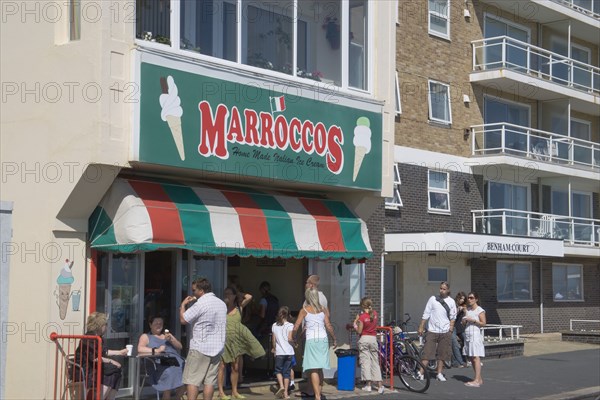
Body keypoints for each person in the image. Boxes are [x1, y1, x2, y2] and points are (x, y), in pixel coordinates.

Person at [180, 278, 227, 400]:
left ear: (201, 290)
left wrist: (183, 305)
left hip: (200, 347)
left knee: (192, 381)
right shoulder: (221, 304)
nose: (193, 292)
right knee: (209, 382)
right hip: (216, 348)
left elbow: (183, 320)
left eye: (194, 290)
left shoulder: (201, 303)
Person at [217, 286, 265, 400]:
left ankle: (234, 391)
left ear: (234, 296)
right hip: (223, 341)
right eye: (225, 294)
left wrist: (238, 293)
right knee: (222, 367)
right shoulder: (221, 308)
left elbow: (249, 296)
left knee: (236, 367)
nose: (226, 296)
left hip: (236, 342)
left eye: (229, 294)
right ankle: (221, 392)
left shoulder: (239, 307)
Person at [292, 288, 336, 400]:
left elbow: (296, 326)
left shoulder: (304, 310)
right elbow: (328, 326)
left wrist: (294, 337)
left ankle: (317, 396)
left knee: (313, 369)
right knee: (320, 368)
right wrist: (334, 339)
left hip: (312, 341)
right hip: (323, 340)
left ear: (307, 297)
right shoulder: (323, 309)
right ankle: (319, 393)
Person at [75, 312, 128, 400]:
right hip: (86, 367)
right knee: (112, 370)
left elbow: (104, 352)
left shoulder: (99, 338)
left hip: (94, 365)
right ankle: (99, 398)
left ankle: (110, 398)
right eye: (105, 324)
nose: (107, 327)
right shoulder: (89, 338)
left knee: (117, 370)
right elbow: (94, 358)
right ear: (99, 325)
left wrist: (120, 352)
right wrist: (112, 361)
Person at [137, 316, 186, 399]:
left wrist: (171, 339)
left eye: (160, 323)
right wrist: (157, 350)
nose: (158, 325)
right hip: (158, 362)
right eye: (156, 323)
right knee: (170, 370)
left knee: (187, 370)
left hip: (175, 360)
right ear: (150, 324)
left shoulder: (167, 336)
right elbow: (140, 349)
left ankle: (177, 398)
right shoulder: (146, 336)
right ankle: (166, 396)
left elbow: (180, 347)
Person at [417, 281, 457, 382]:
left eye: (444, 289)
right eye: (440, 288)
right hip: (432, 330)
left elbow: (453, 317)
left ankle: (439, 373)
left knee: (442, 354)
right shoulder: (433, 299)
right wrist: (421, 326)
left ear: (448, 290)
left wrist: (451, 328)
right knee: (427, 352)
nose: (442, 291)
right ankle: (421, 373)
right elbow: (426, 313)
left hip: (445, 331)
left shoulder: (451, 301)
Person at [355, 297, 384, 394]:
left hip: (364, 339)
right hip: (373, 339)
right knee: (375, 362)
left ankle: (368, 385)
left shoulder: (362, 317)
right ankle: (380, 386)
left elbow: (359, 331)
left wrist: (356, 322)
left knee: (366, 362)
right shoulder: (375, 314)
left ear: (362, 306)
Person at [462, 292, 486, 387]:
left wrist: (474, 320)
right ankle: (479, 379)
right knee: (471, 358)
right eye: (468, 298)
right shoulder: (468, 310)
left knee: (476, 357)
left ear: (476, 299)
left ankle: (476, 380)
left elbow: (484, 323)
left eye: (471, 298)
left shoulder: (480, 310)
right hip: (468, 335)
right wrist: (464, 321)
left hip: (475, 335)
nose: (469, 299)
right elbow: (464, 323)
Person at [272, 306, 295, 399]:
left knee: (278, 371)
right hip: (289, 352)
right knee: (286, 373)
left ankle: (281, 386)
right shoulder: (290, 325)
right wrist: (295, 342)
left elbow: (273, 340)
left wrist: (274, 349)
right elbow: (290, 338)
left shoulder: (274, 325)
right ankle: (285, 393)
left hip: (279, 352)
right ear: (288, 315)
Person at [451, 292, 468, 368]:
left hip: (460, 327)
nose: (462, 300)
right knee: (455, 344)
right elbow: (452, 316)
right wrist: (458, 310)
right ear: (458, 298)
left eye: (463, 299)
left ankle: (465, 359)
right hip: (453, 327)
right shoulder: (453, 304)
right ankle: (458, 362)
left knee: (466, 340)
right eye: (461, 298)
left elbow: (466, 317)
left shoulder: (464, 306)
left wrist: (465, 312)